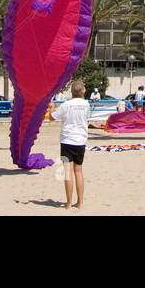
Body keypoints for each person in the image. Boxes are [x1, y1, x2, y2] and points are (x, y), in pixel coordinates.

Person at [52, 81, 91, 210]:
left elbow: (52, 118)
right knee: (78, 171)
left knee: (67, 172)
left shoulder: (66, 105)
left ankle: (69, 203)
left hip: (67, 140)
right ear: (83, 91)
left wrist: (51, 107)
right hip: (80, 140)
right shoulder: (86, 105)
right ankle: (79, 202)